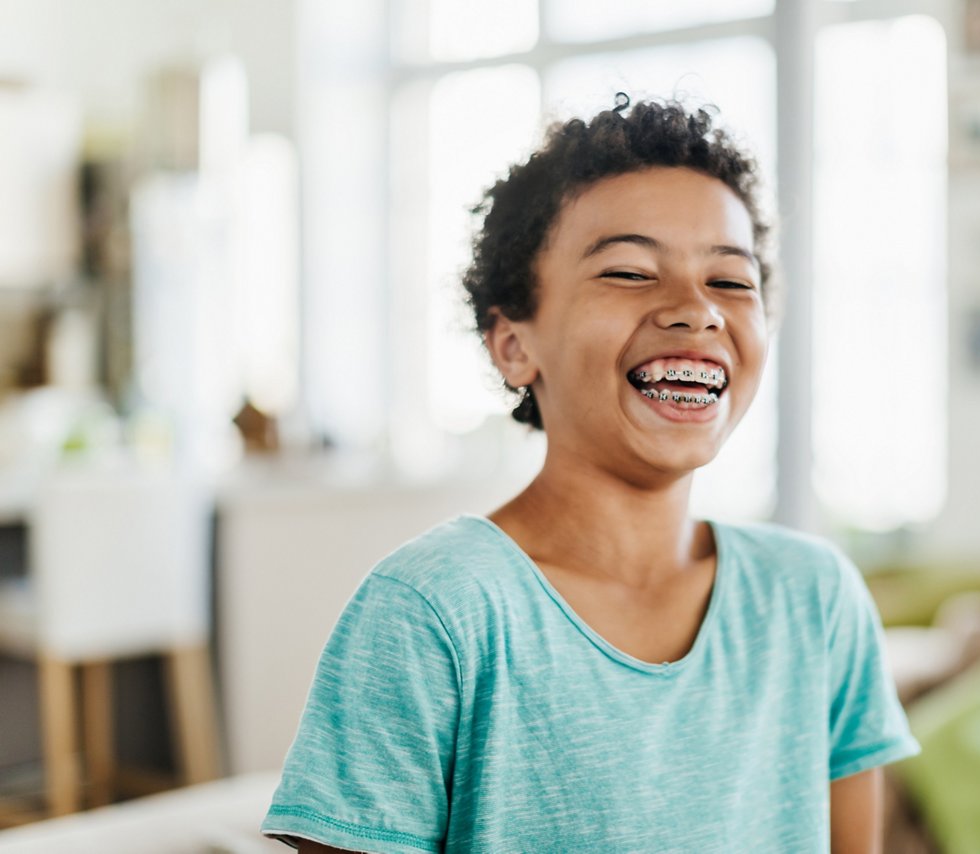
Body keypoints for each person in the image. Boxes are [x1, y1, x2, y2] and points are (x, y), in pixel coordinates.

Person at [260, 95, 919, 853]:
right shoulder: (433, 613)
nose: (697, 310)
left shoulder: (816, 601)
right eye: (631, 272)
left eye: (732, 282)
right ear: (513, 345)